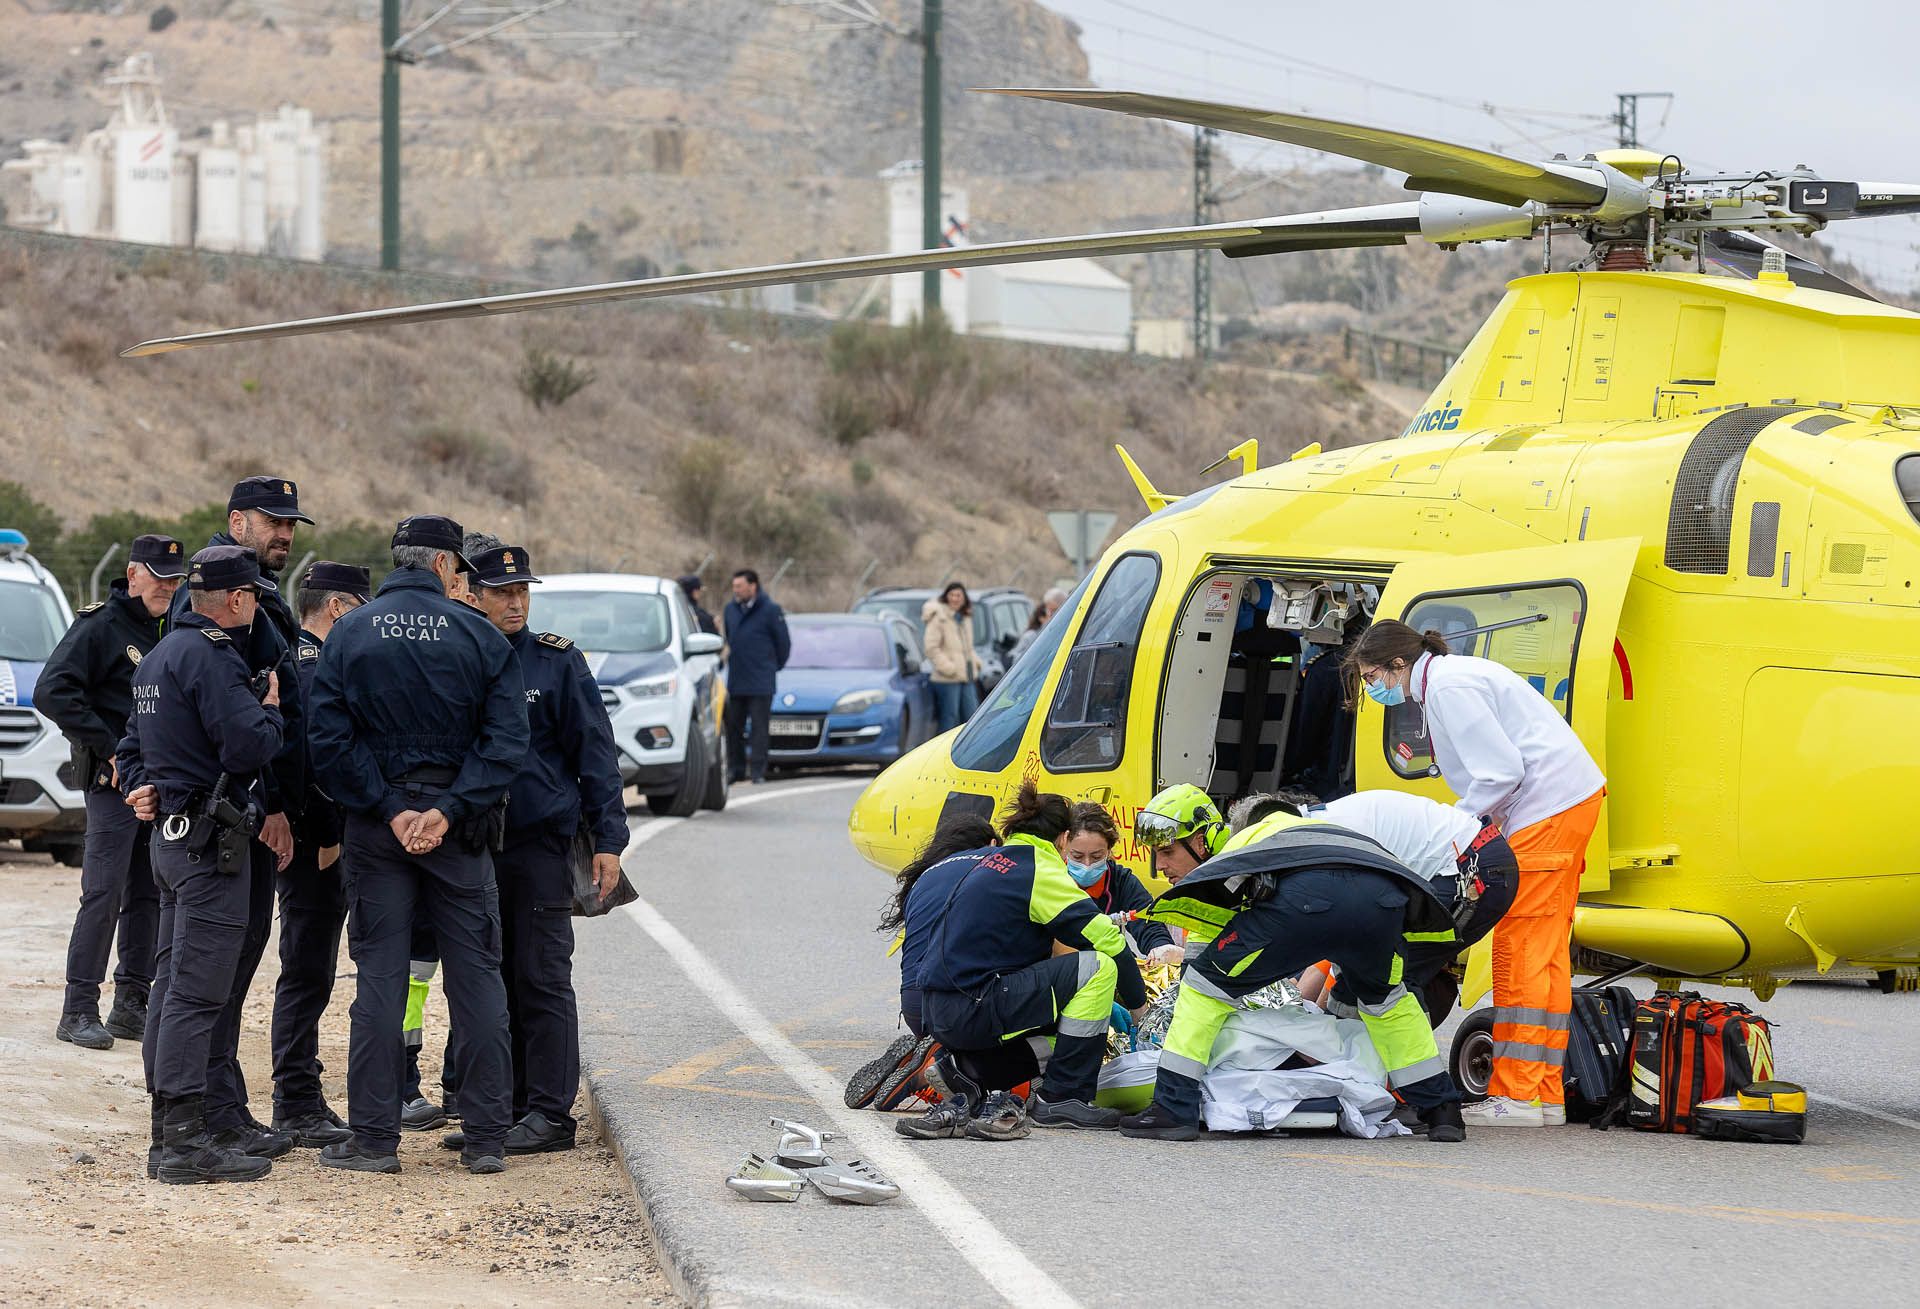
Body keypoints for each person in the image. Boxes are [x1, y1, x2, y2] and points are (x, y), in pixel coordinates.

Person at [307, 515, 530, 1176]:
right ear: (444, 567)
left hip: (380, 829)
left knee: (379, 974)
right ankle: (488, 1137)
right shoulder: (481, 636)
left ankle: (374, 1139)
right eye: (461, 569)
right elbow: (506, 743)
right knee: (476, 975)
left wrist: (389, 808)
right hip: (457, 831)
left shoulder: (350, 631)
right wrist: (447, 809)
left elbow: (327, 742)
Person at [1348, 620, 1606, 1129]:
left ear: (1398, 665)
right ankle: (1544, 1094)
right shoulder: (1449, 681)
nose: (1371, 688)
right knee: (1547, 951)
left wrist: (1456, 828)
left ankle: (1520, 1096)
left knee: (1520, 948)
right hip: (1565, 805)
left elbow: (1501, 773)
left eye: (1371, 675)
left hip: (1547, 810)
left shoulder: (1447, 688)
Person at [1114, 782, 1466, 1144]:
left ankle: (1172, 1110)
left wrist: (1193, 986)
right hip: (1384, 902)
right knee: (1387, 1003)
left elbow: (1210, 940)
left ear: (1201, 840)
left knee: (1203, 988)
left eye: (1167, 852)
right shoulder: (1321, 829)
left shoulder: (1247, 840)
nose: (1160, 866)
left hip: (1308, 899)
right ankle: (1443, 1112)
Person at [117, 545, 286, 1184]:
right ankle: (181, 1145)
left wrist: (144, 785)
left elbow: (131, 746)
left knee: (170, 983)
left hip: (170, 839)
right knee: (196, 991)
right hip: (210, 845)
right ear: (239, 599)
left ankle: (172, 1128)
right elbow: (247, 746)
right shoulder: (212, 657)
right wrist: (269, 709)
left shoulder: (159, 655)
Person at [455, 544, 628, 1154]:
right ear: (468, 594)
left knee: (541, 977)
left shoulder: (556, 662)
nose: (515, 601)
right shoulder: (459, 655)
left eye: (522, 590)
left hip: (538, 846)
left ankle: (550, 1113)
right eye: (501, 592)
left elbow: (596, 755)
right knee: (487, 979)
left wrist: (609, 841)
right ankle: (500, 1107)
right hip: (474, 847)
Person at [170, 475, 311, 1148]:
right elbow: (233, 711)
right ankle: (208, 1116)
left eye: (290, 524)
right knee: (213, 971)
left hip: (246, 805)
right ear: (236, 520)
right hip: (231, 810)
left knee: (234, 964)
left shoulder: (258, 594)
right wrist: (274, 805)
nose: (284, 532)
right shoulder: (212, 597)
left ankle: (222, 1107)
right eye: (271, 521)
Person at [895, 783, 1147, 1141]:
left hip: (940, 1008)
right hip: (975, 1006)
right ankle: (1064, 1096)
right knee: (1097, 969)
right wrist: (1140, 1011)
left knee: (1068, 1026)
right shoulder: (1038, 870)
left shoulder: (992, 863)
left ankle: (969, 1072)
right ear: (1063, 840)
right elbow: (1106, 940)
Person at [40, 534, 185, 1051]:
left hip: (159, 783)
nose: (167, 585)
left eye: (175, 577)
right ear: (133, 572)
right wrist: (108, 750)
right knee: (103, 892)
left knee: (148, 890)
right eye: (158, 575)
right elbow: (52, 690)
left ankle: (131, 1003)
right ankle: (78, 1008)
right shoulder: (101, 625)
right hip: (113, 784)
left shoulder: (170, 625)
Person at [1249, 789, 1519, 1024]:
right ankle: (1371, 1067)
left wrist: (1309, 1019)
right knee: (1367, 980)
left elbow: (1354, 929)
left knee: (1381, 980)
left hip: (1472, 873)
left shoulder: (1326, 841)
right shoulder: (1323, 823)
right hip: (1474, 863)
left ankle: (1388, 1073)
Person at [267, 562, 370, 1149]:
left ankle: (301, 1093)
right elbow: (307, 764)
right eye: (362, 605)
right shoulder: (309, 666)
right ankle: (295, 1098)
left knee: (314, 968)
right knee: (307, 968)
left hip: (318, 838)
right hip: (314, 844)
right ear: (337, 608)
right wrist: (330, 834)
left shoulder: (314, 661)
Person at [843, 811, 1002, 1113]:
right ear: (992, 843)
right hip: (957, 1007)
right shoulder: (994, 870)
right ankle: (931, 1065)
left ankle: (928, 1055)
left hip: (916, 1008)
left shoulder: (926, 877)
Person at [1062, 803, 1182, 966]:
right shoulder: (1051, 881)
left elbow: (1148, 922)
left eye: (1097, 856)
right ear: (1063, 848)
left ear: (1109, 850)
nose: (1087, 864)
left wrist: (1161, 949)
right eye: (1077, 856)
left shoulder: (1121, 881)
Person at [721, 568, 790, 786]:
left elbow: (784, 645)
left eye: (739, 586)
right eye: (734, 587)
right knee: (734, 728)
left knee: (760, 729)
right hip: (737, 679)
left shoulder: (771, 610)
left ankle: (758, 771)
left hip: (761, 681)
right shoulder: (730, 610)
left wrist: (771, 667)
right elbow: (731, 639)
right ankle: (736, 769)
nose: (736, 591)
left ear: (753, 586)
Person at [923, 582, 982, 733]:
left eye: (959, 595)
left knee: (972, 716)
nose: (955, 599)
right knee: (950, 718)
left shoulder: (965, 617)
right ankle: (943, 754)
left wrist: (976, 662)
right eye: (952, 595)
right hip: (947, 678)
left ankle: (969, 754)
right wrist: (948, 668)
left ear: (964, 598)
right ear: (946, 597)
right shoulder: (939, 618)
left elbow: (967, 648)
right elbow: (931, 648)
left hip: (966, 676)